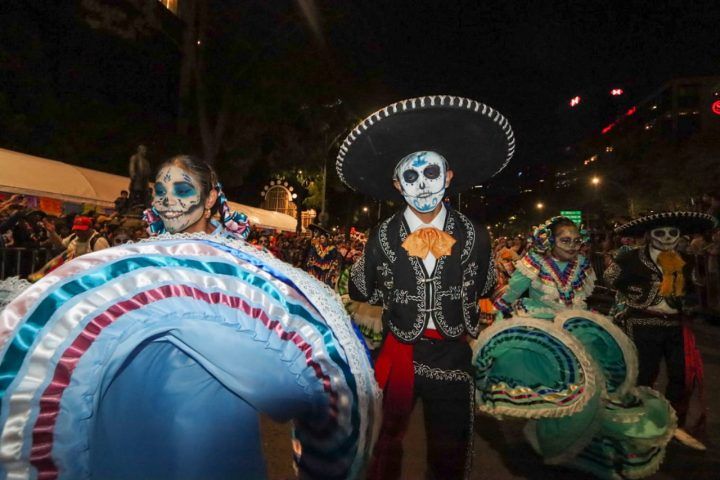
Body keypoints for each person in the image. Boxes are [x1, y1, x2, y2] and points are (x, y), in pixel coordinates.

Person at [0, 154, 379, 479]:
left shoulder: (246, 271)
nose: (168, 201)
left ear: (211, 197)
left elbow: (286, 367)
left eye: (182, 189)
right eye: (161, 191)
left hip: (206, 422)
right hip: (126, 410)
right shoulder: (133, 259)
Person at [340, 95, 512, 479]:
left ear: (448, 176)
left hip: (452, 356)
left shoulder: (475, 235)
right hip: (400, 351)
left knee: (450, 448)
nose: (421, 185)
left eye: (431, 172)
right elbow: (361, 289)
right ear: (397, 184)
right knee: (384, 441)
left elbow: (485, 285)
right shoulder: (382, 234)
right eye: (410, 177)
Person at [476, 216, 676, 479]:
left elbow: (584, 298)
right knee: (560, 392)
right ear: (550, 241)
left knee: (596, 388)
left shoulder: (582, 265)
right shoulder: (532, 264)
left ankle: (585, 447)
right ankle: (552, 438)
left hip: (578, 330)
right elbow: (510, 295)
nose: (572, 246)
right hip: (546, 335)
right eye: (565, 240)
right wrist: (493, 322)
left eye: (575, 240)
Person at [605, 211, 717, 451]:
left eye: (672, 232)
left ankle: (672, 422)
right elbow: (610, 278)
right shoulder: (630, 257)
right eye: (660, 232)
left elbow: (692, 288)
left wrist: (687, 303)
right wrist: (637, 293)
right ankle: (639, 422)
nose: (667, 237)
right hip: (642, 322)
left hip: (675, 325)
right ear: (649, 235)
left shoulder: (685, 259)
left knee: (681, 376)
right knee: (644, 375)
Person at [129, 144, 151, 208]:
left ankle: (143, 204)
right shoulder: (135, 157)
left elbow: (148, 170)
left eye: (145, 150)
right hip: (137, 178)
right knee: (136, 191)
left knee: (145, 193)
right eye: (143, 150)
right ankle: (134, 204)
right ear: (139, 150)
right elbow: (131, 167)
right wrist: (132, 174)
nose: (145, 151)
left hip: (145, 180)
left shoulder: (146, 161)